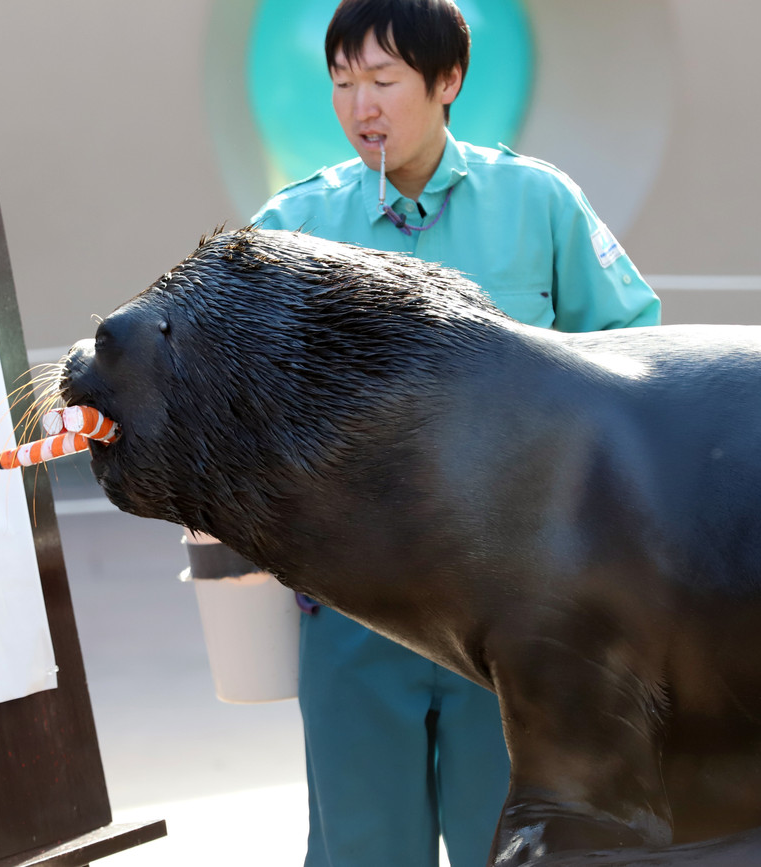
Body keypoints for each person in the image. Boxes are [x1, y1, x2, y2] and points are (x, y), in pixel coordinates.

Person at [251, 1, 662, 865]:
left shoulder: (538, 203)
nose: (361, 105)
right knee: (363, 846)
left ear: (447, 83)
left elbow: (633, 358)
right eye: (342, 83)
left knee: (513, 838)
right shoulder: (291, 232)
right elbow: (237, 403)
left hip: (519, 611)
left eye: (383, 81)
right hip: (355, 609)